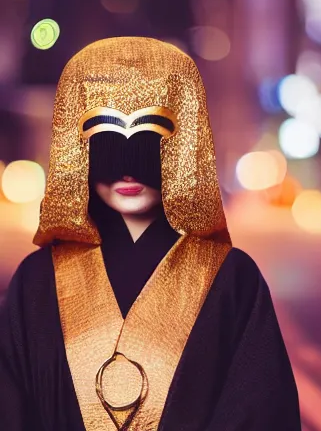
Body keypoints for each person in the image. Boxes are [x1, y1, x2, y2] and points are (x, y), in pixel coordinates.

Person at [0, 37, 301, 430]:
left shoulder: (232, 280)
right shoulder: (36, 283)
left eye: (149, 138)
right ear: (78, 149)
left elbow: (260, 414)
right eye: (107, 139)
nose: (128, 171)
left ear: (181, 149)